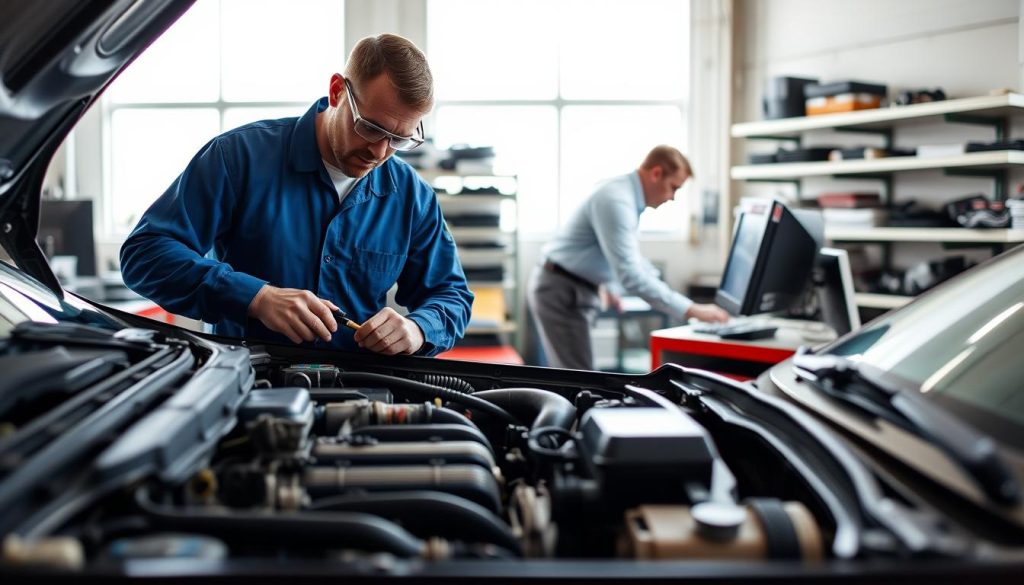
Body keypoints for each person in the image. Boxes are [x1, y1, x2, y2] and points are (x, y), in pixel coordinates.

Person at [120, 34, 472, 356]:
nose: (380, 152)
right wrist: (255, 297)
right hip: (245, 386)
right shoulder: (238, 157)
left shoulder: (412, 196)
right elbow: (144, 255)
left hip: (363, 397)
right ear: (337, 91)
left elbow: (451, 296)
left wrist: (417, 328)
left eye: (399, 140)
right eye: (370, 128)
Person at [527, 145, 729, 370]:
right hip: (561, 290)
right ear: (656, 173)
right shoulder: (616, 200)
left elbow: (628, 257)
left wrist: (607, 282)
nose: (672, 197)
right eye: (673, 188)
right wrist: (692, 309)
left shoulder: (623, 194)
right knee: (578, 379)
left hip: (571, 286)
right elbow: (631, 275)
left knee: (578, 374)